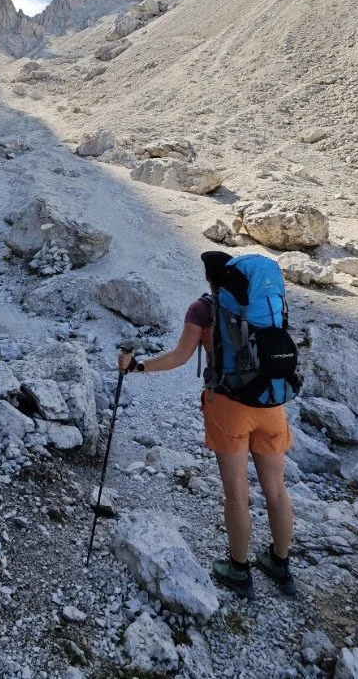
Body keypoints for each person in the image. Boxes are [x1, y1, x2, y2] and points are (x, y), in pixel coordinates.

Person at [117, 250, 297, 599]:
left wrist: (137, 366)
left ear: (208, 278)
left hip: (229, 408)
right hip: (272, 402)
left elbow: (179, 357)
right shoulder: (260, 306)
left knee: (237, 493)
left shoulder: (202, 310)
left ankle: (239, 570)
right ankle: (280, 564)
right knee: (276, 489)